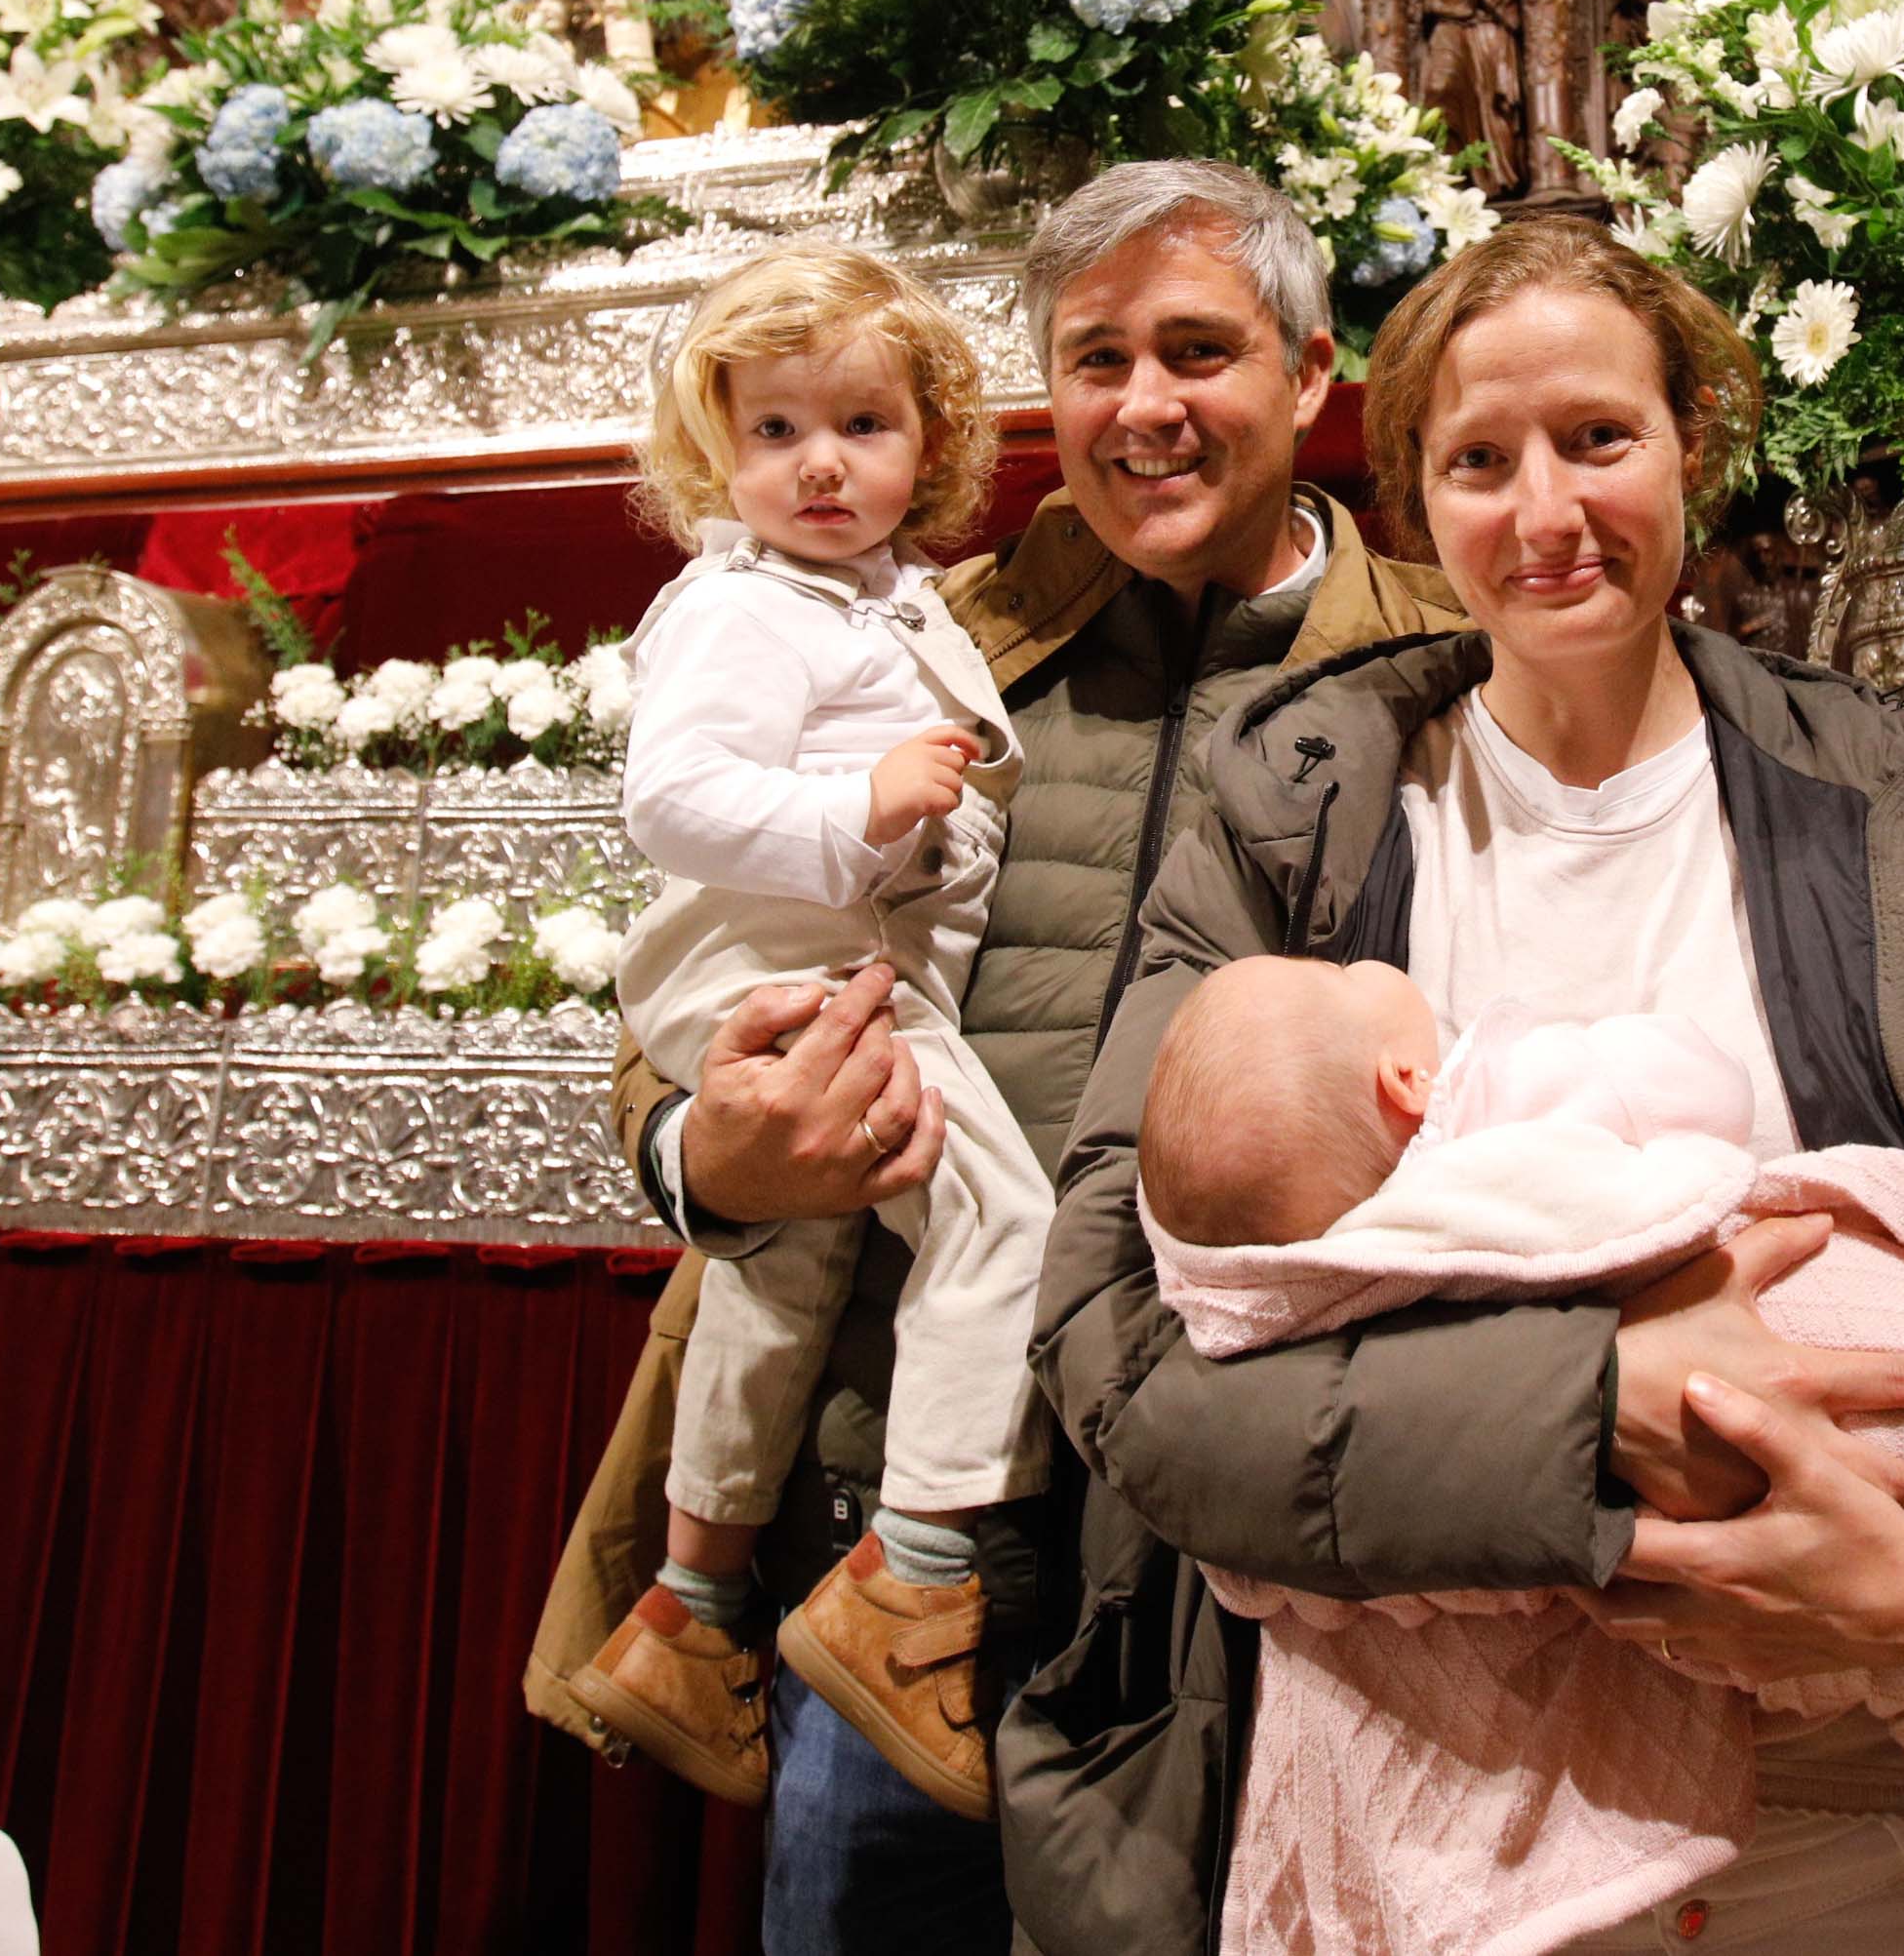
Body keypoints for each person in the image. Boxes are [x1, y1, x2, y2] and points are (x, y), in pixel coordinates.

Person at [1016, 221, 1904, 1955]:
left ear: (1694, 440)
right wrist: (1583, 1413)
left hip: (1871, 1806)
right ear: (1408, 495)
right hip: (1438, 1809)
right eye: (1478, 459)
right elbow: (1117, 1330)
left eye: (1598, 439)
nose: (1543, 510)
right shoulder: (1289, 810)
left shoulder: (1869, 787)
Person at [529, 161, 1463, 1955]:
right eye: (1094, 357)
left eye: (1198, 348)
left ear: (1311, 368)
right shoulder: (941, 646)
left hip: (1245, 1525)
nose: (1144, 406)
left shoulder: (1436, 672)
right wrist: (705, 1155)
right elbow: (701, 982)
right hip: (905, 1533)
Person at [1134, 958, 1904, 1955]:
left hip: (1861, 1824)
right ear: (1405, 1086)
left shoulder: (1331, 1249)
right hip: (1775, 1517)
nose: (1372, 965)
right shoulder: (1494, 1102)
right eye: (1355, 973)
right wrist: (1599, 1399)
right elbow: (1134, 1391)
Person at [570, 245, 1046, 1820]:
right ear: (719, 443)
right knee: (1000, 1214)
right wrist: (858, 807)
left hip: (832, 961)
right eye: (775, 430)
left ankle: (692, 1608)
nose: (820, 461)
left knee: (788, 1260)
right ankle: (909, 1583)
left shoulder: (884, 591)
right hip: (811, 970)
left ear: (934, 438)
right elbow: (669, 797)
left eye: (860, 421)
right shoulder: (739, 603)